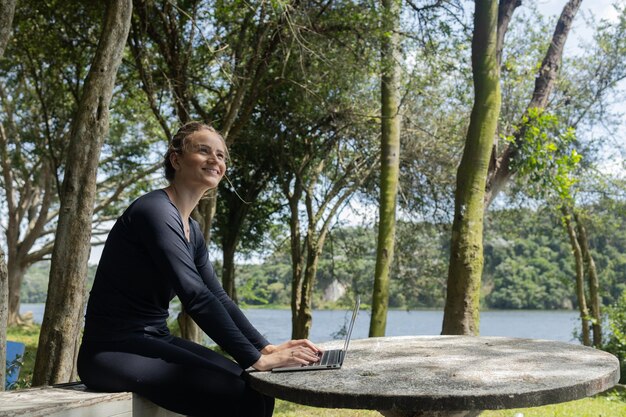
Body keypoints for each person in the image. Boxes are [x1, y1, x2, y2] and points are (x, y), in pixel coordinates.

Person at [77, 121, 321, 417]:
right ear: (176, 159)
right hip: (112, 350)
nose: (215, 160)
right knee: (241, 395)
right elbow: (194, 295)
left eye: (220, 156)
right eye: (203, 151)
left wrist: (264, 349)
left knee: (257, 389)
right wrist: (254, 358)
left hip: (153, 339)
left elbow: (217, 295)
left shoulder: (191, 228)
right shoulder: (154, 211)